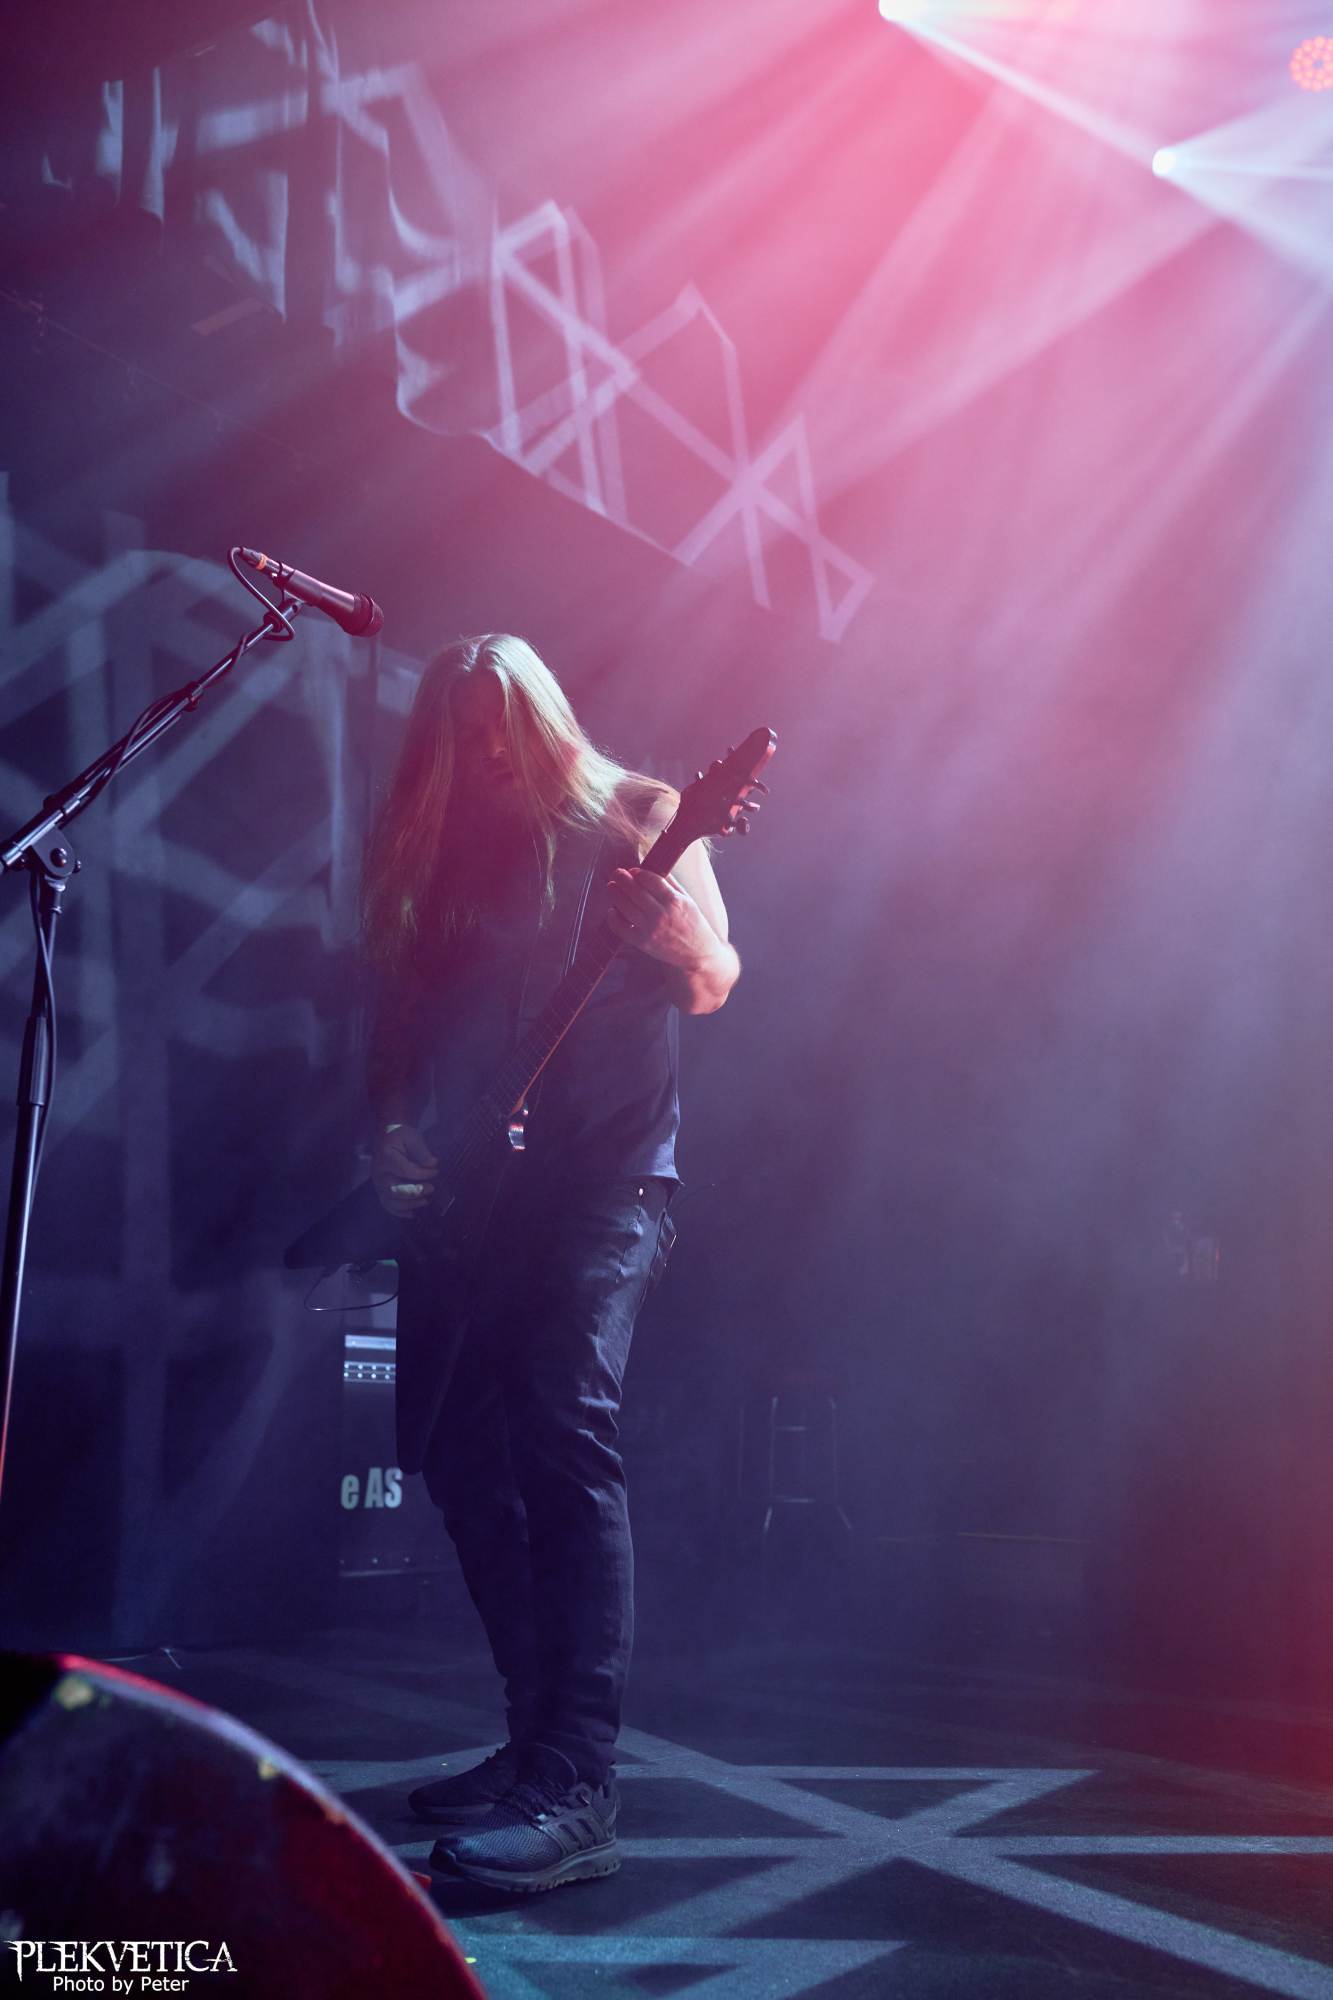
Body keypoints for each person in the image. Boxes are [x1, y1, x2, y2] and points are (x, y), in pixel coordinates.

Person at [359, 633, 739, 1893]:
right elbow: (406, 1028)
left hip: (611, 1181)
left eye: (503, 732)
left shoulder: (641, 814)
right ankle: (532, 1742)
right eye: (462, 740)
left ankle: (579, 1782)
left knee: (561, 1412)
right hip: (481, 1197)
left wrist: (667, 929)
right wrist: (394, 1128)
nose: (487, 758)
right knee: (459, 1451)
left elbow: (715, 977)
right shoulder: (445, 861)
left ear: (546, 721)